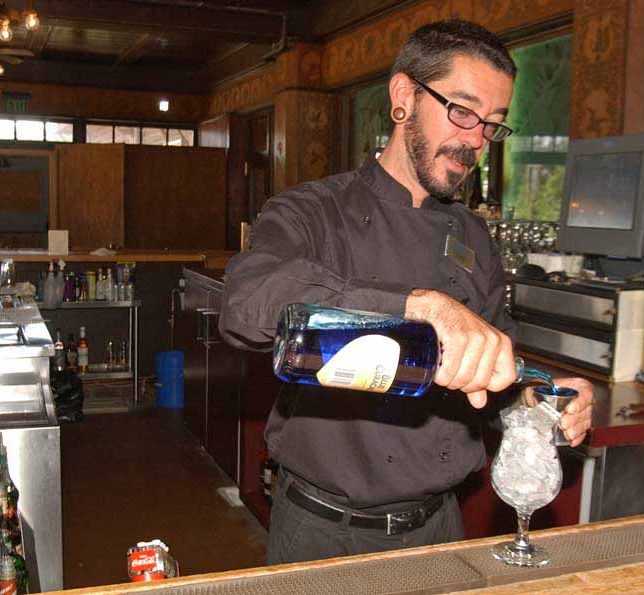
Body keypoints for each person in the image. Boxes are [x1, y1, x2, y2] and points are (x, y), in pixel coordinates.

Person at [219, 19, 594, 564]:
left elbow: (496, 376)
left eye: (491, 125)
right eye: (462, 111)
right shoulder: (312, 212)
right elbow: (245, 304)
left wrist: (540, 398)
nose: (474, 141)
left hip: (440, 527)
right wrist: (416, 306)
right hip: (325, 533)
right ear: (403, 97)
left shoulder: (473, 237)